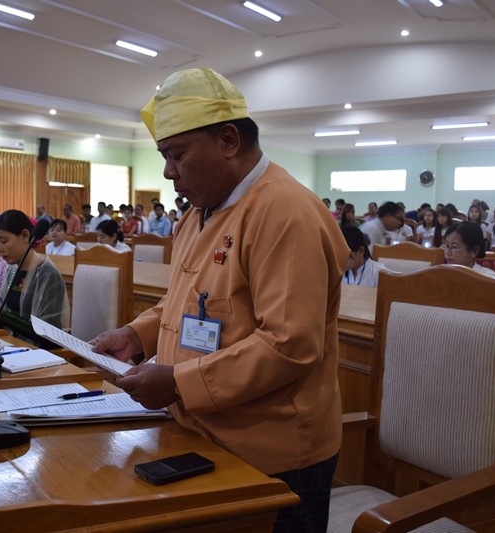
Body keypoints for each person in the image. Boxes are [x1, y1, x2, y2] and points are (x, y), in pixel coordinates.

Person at [90, 68, 347, 532]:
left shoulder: (284, 212)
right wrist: (137, 335)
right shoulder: (198, 215)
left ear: (228, 140)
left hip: (271, 454)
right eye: (164, 157)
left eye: (177, 155)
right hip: (198, 431)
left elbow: (289, 344)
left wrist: (179, 383)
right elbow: (187, 303)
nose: (168, 172)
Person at [0, 210, 68, 345]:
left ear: (25, 235)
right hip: (10, 345)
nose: (0, 248)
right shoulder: (11, 271)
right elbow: (4, 322)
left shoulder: (48, 275)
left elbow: (48, 334)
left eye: (4, 241)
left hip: (38, 352)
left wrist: (0, 315)